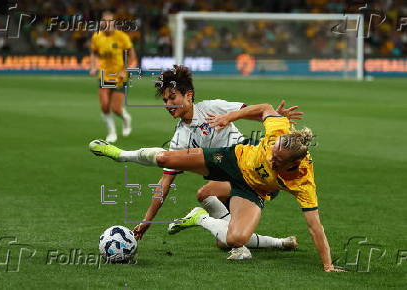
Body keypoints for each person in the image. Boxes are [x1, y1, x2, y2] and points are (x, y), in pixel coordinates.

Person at [88, 102, 344, 272]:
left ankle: (201, 218)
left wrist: (328, 265)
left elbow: (315, 227)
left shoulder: (303, 182)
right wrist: (230, 116)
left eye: (277, 160)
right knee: (167, 158)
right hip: (232, 159)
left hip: (252, 190)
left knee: (235, 239)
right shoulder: (279, 131)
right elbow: (266, 108)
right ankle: (120, 153)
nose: (270, 157)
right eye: (272, 152)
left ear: (294, 162)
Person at [129, 65, 302, 252]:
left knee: (211, 202)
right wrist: (146, 221)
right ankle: (280, 243)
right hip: (227, 176)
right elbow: (165, 182)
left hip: (251, 166)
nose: (168, 104)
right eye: (165, 100)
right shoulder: (179, 139)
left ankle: (203, 219)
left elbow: (249, 111)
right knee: (225, 239)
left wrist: (273, 118)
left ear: (188, 95)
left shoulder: (211, 107)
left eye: (172, 98)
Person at [89, 11, 137, 142]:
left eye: (109, 21)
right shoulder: (96, 37)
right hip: (104, 75)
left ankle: (126, 118)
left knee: (116, 109)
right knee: (104, 105)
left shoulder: (122, 37)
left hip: (119, 76)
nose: (106, 24)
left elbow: (132, 57)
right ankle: (112, 132)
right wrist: (93, 66)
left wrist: (124, 70)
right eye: (104, 21)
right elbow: (93, 53)